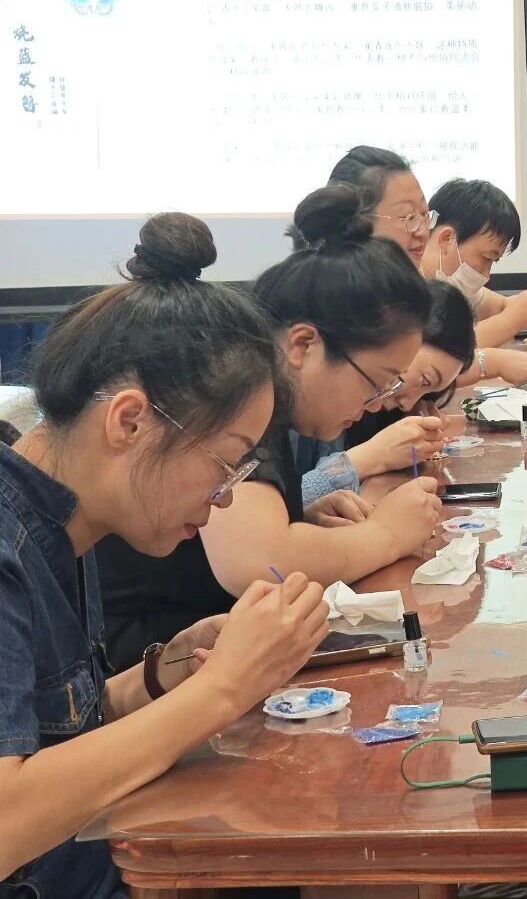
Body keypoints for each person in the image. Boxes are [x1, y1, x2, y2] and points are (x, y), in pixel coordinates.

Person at [0, 213, 328, 897]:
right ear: (129, 421)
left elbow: (56, 734)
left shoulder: (63, 523)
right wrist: (222, 688)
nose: (225, 497)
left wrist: (165, 672)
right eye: (226, 463)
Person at [100, 185, 443, 670]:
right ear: (303, 344)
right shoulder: (235, 388)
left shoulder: (260, 383)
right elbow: (256, 561)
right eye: (377, 382)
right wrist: (387, 534)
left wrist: (296, 512)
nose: (375, 404)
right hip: (135, 663)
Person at [327, 146, 527, 353]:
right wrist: (495, 357)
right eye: (407, 216)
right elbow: (422, 359)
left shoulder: (416, 283)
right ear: (357, 221)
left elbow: (507, 305)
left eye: (424, 215)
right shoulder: (348, 292)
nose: (422, 231)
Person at [298, 278, 477, 505]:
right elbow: (271, 508)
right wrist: (371, 457)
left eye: (427, 393)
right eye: (424, 381)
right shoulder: (296, 394)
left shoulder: (369, 407)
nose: (406, 403)